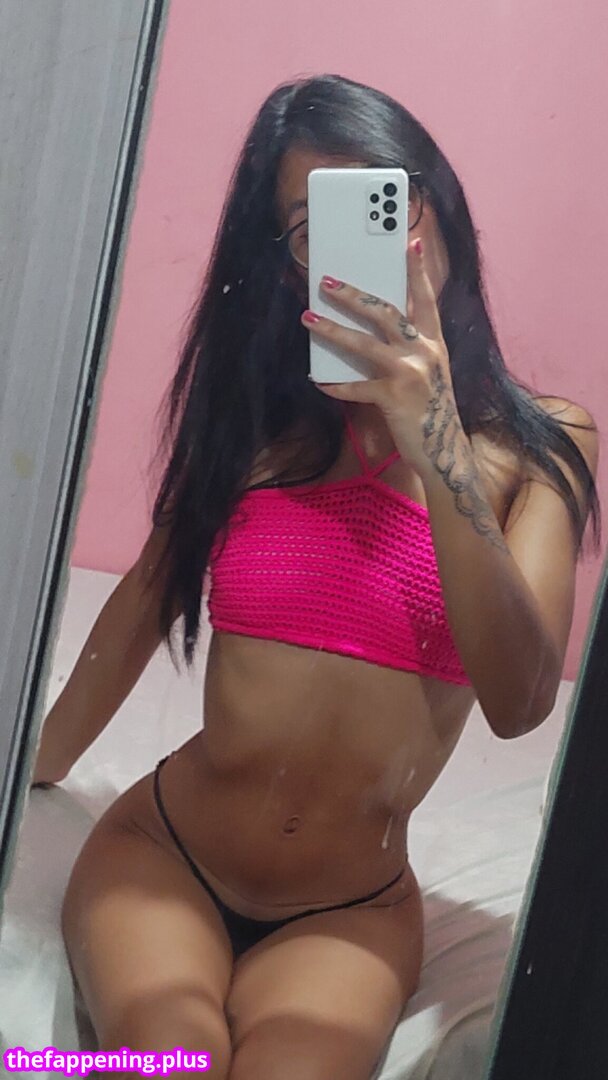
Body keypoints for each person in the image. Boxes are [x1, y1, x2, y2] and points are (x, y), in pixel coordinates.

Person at [33, 74, 600, 1080]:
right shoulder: (258, 424)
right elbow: (138, 608)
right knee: (170, 1060)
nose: (363, 249)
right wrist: (29, 769)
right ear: (286, 259)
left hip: (348, 914)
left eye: (383, 202)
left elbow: (518, 701)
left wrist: (433, 437)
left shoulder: (543, 441)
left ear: (436, 206)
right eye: (311, 227)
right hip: (165, 857)